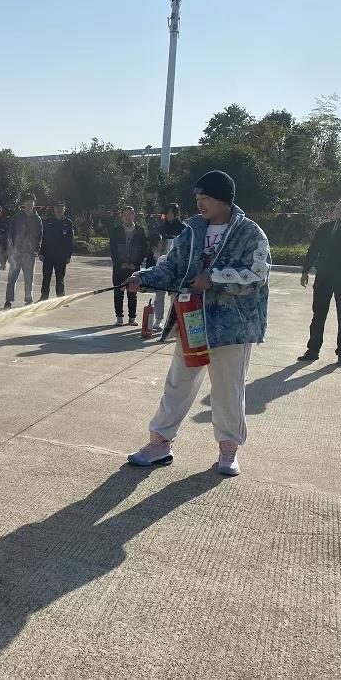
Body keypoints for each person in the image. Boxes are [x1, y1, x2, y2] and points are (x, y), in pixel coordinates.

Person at [123, 170, 271, 477]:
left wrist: (214, 279)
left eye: (206, 198)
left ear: (224, 199)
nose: (200, 203)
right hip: (192, 321)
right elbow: (172, 266)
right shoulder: (191, 231)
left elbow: (257, 274)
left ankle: (228, 451)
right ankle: (160, 443)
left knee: (228, 389)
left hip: (233, 328)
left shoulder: (250, 233)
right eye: (198, 198)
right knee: (178, 383)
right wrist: (143, 278)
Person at [298, 198, 341, 367]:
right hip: (324, 277)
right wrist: (305, 270)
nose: (340, 210)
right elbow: (313, 248)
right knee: (318, 315)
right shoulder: (325, 228)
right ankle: (313, 350)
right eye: (338, 207)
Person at [109, 206, 148, 326]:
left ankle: (132, 318)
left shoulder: (140, 231)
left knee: (132, 293)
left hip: (133, 268)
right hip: (119, 267)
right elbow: (113, 250)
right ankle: (119, 317)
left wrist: (135, 264)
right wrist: (121, 263)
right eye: (125, 215)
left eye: (130, 214)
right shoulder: (116, 231)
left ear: (134, 215)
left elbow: (143, 250)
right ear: (121, 216)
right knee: (118, 292)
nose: (127, 217)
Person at [4, 195, 43, 308]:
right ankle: (8, 300)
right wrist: (10, 251)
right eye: (27, 202)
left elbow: (40, 235)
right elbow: (10, 235)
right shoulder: (17, 217)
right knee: (12, 278)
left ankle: (28, 300)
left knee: (29, 278)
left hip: (30, 254)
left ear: (34, 204)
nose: (29, 204)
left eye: (31, 202)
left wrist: (36, 249)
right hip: (16, 253)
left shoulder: (37, 219)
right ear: (24, 203)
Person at [39, 200, 74, 300]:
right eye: (57, 207)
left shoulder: (68, 223)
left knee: (60, 278)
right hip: (48, 255)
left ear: (64, 209)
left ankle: (60, 298)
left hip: (61, 256)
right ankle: (44, 297)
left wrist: (68, 255)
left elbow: (70, 241)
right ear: (54, 209)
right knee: (46, 277)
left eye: (61, 207)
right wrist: (41, 252)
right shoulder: (47, 222)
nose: (59, 209)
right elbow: (43, 238)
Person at [145, 232, 170, 332]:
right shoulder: (152, 250)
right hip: (160, 277)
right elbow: (149, 265)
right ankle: (158, 320)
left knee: (175, 299)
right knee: (159, 298)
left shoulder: (172, 247)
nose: (159, 244)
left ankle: (174, 321)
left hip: (173, 275)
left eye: (160, 242)